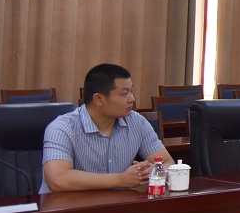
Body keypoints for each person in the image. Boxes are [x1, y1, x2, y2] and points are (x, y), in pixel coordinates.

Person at [41, 63, 173, 193]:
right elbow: (58, 179)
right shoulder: (62, 128)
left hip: (118, 204)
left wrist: (151, 172)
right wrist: (121, 179)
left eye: (131, 91)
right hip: (69, 205)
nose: (132, 99)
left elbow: (168, 163)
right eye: (124, 94)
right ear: (99, 99)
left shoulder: (138, 123)